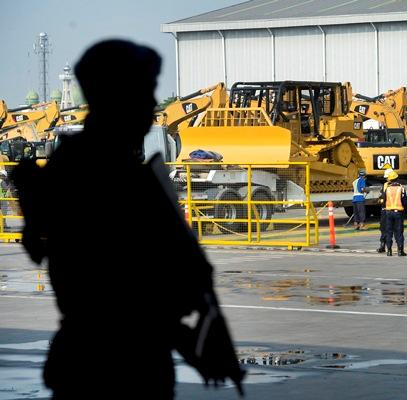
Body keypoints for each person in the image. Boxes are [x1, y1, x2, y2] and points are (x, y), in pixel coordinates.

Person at [11, 40, 243, 399]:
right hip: (116, 367)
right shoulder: (107, 176)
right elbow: (125, 297)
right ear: (118, 97)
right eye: (145, 91)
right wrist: (193, 342)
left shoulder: (81, 168)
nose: (152, 106)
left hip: (96, 358)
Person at [383, 176, 407, 256]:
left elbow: (384, 200)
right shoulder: (401, 189)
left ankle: (389, 251)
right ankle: (400, 251)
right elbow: (405, 201)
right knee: (399, 231)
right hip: (398, 212)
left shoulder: (387, 189)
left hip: (388, 212)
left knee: (389, 231)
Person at [377, 168, 398, 253]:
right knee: (384, 228)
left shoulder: (397, 186)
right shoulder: (385, 185)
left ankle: (398, 247)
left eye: (387, 177)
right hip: (386, 209)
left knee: (395, 229)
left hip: (390, 209)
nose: (386, 178)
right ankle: (383, 245)